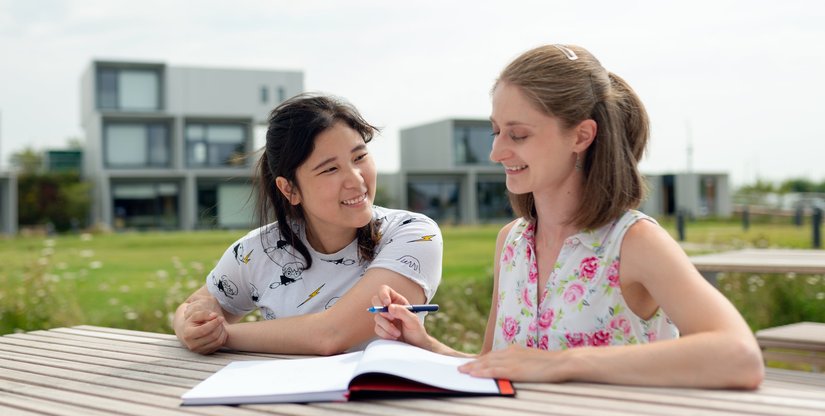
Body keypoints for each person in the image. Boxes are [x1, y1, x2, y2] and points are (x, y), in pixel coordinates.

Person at [372, 44, 764, 389]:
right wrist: (424, 343)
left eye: (518, 134)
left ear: (581, 136)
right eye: (495, 132)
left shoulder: (635, 242)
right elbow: (499, 367)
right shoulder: (511, 242)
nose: (496, 152)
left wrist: (562, 364)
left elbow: (740, 357)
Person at [174, 94, 443, 355]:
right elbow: (193, 307)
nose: (356, 180)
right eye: (330, 169)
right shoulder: (257, 251)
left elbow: (332, 334)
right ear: (289, 189)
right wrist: (192, 327)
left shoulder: (413, 234)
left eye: (359, 157)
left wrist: (224, 336)